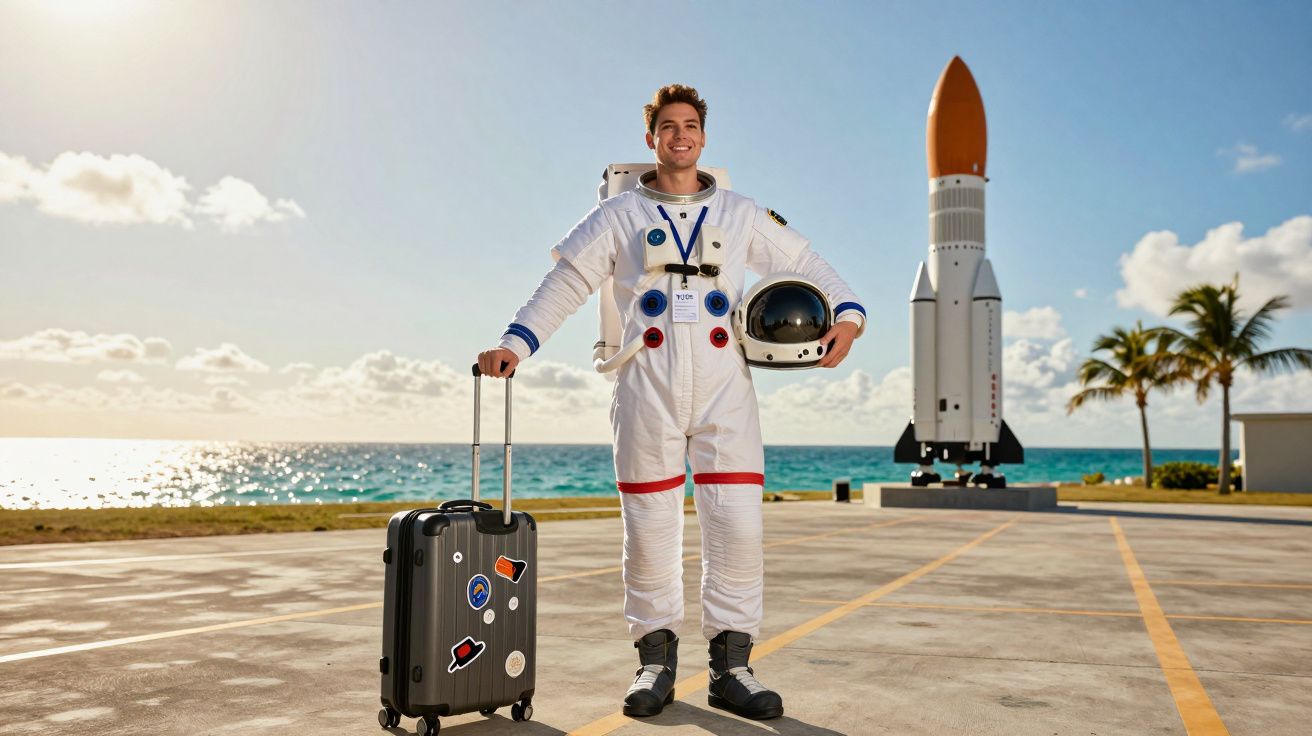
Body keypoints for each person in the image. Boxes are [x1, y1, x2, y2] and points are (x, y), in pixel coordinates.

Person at [476, 84, 865, 721]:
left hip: (725, 389)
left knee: (737, 526)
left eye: (690, 126)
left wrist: (846, 319)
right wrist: (514, 343)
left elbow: (817, 268)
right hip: (645, 384)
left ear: (704, 138)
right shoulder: (618, 216)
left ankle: (732, 668)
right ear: (650, 138)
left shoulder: (741, 214)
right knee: (651, 531)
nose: (680, 136)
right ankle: (654, 663)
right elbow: (565, 284)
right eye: (667, 127)